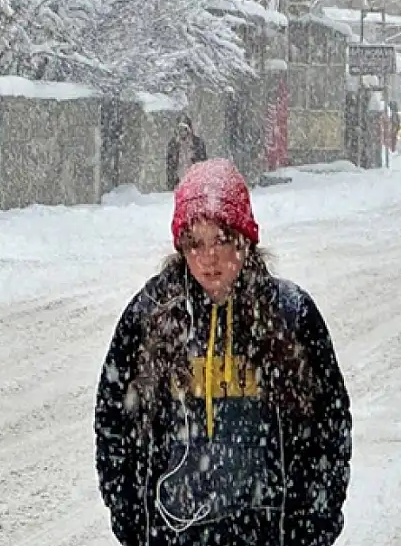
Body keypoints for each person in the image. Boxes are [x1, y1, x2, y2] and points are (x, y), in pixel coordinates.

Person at [94, 159, 353, 546]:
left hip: (269, 534)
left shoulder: (289, 313)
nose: (208, 257)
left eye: (221, 239)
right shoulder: (150, 314)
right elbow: (114, 418)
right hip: (174, 533)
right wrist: (130, 516)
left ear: (245, 238)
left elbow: (329, 424)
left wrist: (316, 521)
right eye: (194, 244)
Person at [166, 115, 208, 189]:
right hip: (178, 182)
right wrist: (171, 182)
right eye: (180, 129)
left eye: (184, 129)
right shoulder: (173, 144)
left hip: (195, 181)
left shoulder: (198, 143)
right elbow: (170, 166)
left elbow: (203, 163)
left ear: (189, 129)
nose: (182, 132)